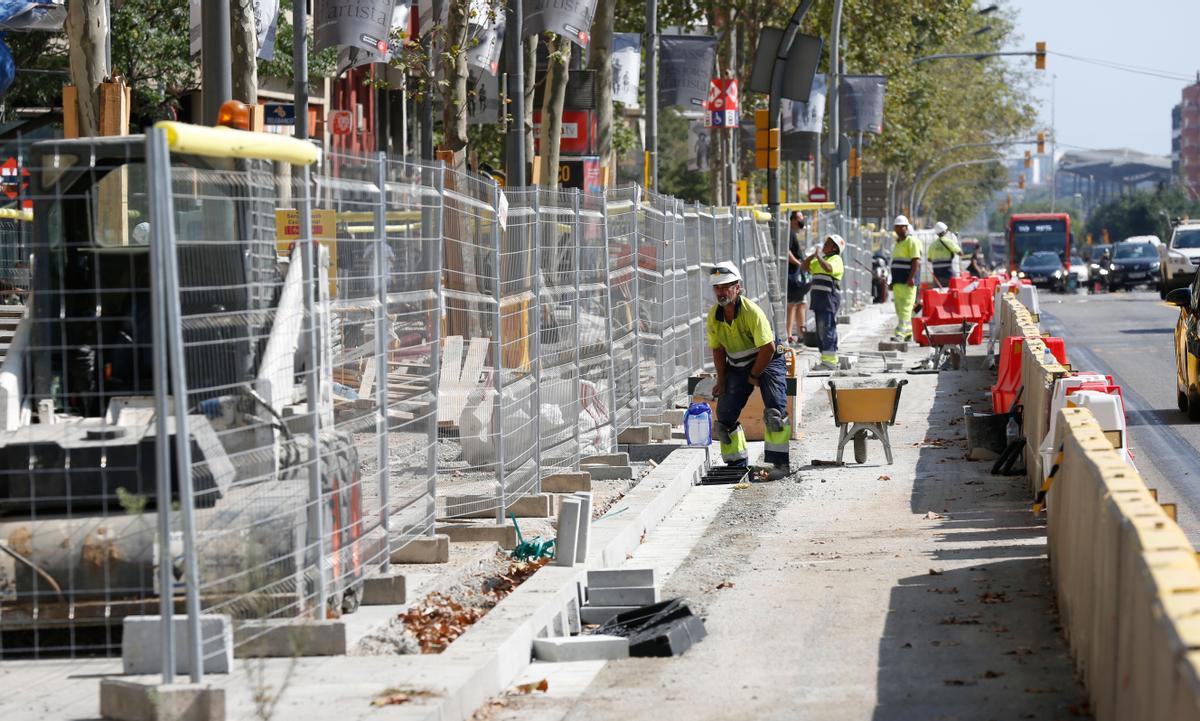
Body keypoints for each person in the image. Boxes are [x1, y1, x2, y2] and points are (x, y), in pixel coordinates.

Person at [706, 261, 791, 474]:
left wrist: (754, 375)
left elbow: (768, 348)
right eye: (717, 287)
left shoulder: (752, 312)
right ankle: (736, 464)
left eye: (726, 286)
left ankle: (780, 464)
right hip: (738, 365)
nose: (721, 291)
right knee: (723, 420)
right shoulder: (713, 317)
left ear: (738, 287)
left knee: (774, 414)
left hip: (768, 360)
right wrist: (721, 381)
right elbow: (718, 350)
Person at [802, 234, 845, 370]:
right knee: (821, 331)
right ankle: (826, 359)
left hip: (828, 300)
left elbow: (828, 268)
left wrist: (818, 257)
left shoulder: (835, 259)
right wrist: (813, 256)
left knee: (827, 329)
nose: (824, 246)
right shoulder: (822, 259)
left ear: (834, 248)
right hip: (819, 301)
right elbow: (804, 267)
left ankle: (830, 361)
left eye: (827, 244)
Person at [889, 214, 921, 342]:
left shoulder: (911, 241)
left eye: (900, 227)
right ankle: (907, 332)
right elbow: (895, 263)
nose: (897, 230)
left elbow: (915, 261)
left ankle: (900, 334)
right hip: (898, 282)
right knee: (899, 308)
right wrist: (892, 281)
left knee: (906, 308)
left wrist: (911, 278)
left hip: (908, 282)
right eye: (896, 227)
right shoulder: (897, 244)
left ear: (906, 227)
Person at [786, 211, 810, 345]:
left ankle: (801, 334)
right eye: (800, 218)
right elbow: (788, 252)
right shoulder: (789, 233)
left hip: (797, 275)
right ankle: (788, 335)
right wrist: (800, 264)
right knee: (792, 305)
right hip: (793, 275)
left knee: (801, 304)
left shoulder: (793, 233)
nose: (802, 221)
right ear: (794, 220)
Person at [927, 221, 962, 288]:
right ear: (945, 231)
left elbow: (929, 259)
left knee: (938, 294)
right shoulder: (948, 242)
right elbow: (960, 253)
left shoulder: (932, 245)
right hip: (948, 275)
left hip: (937, 276)